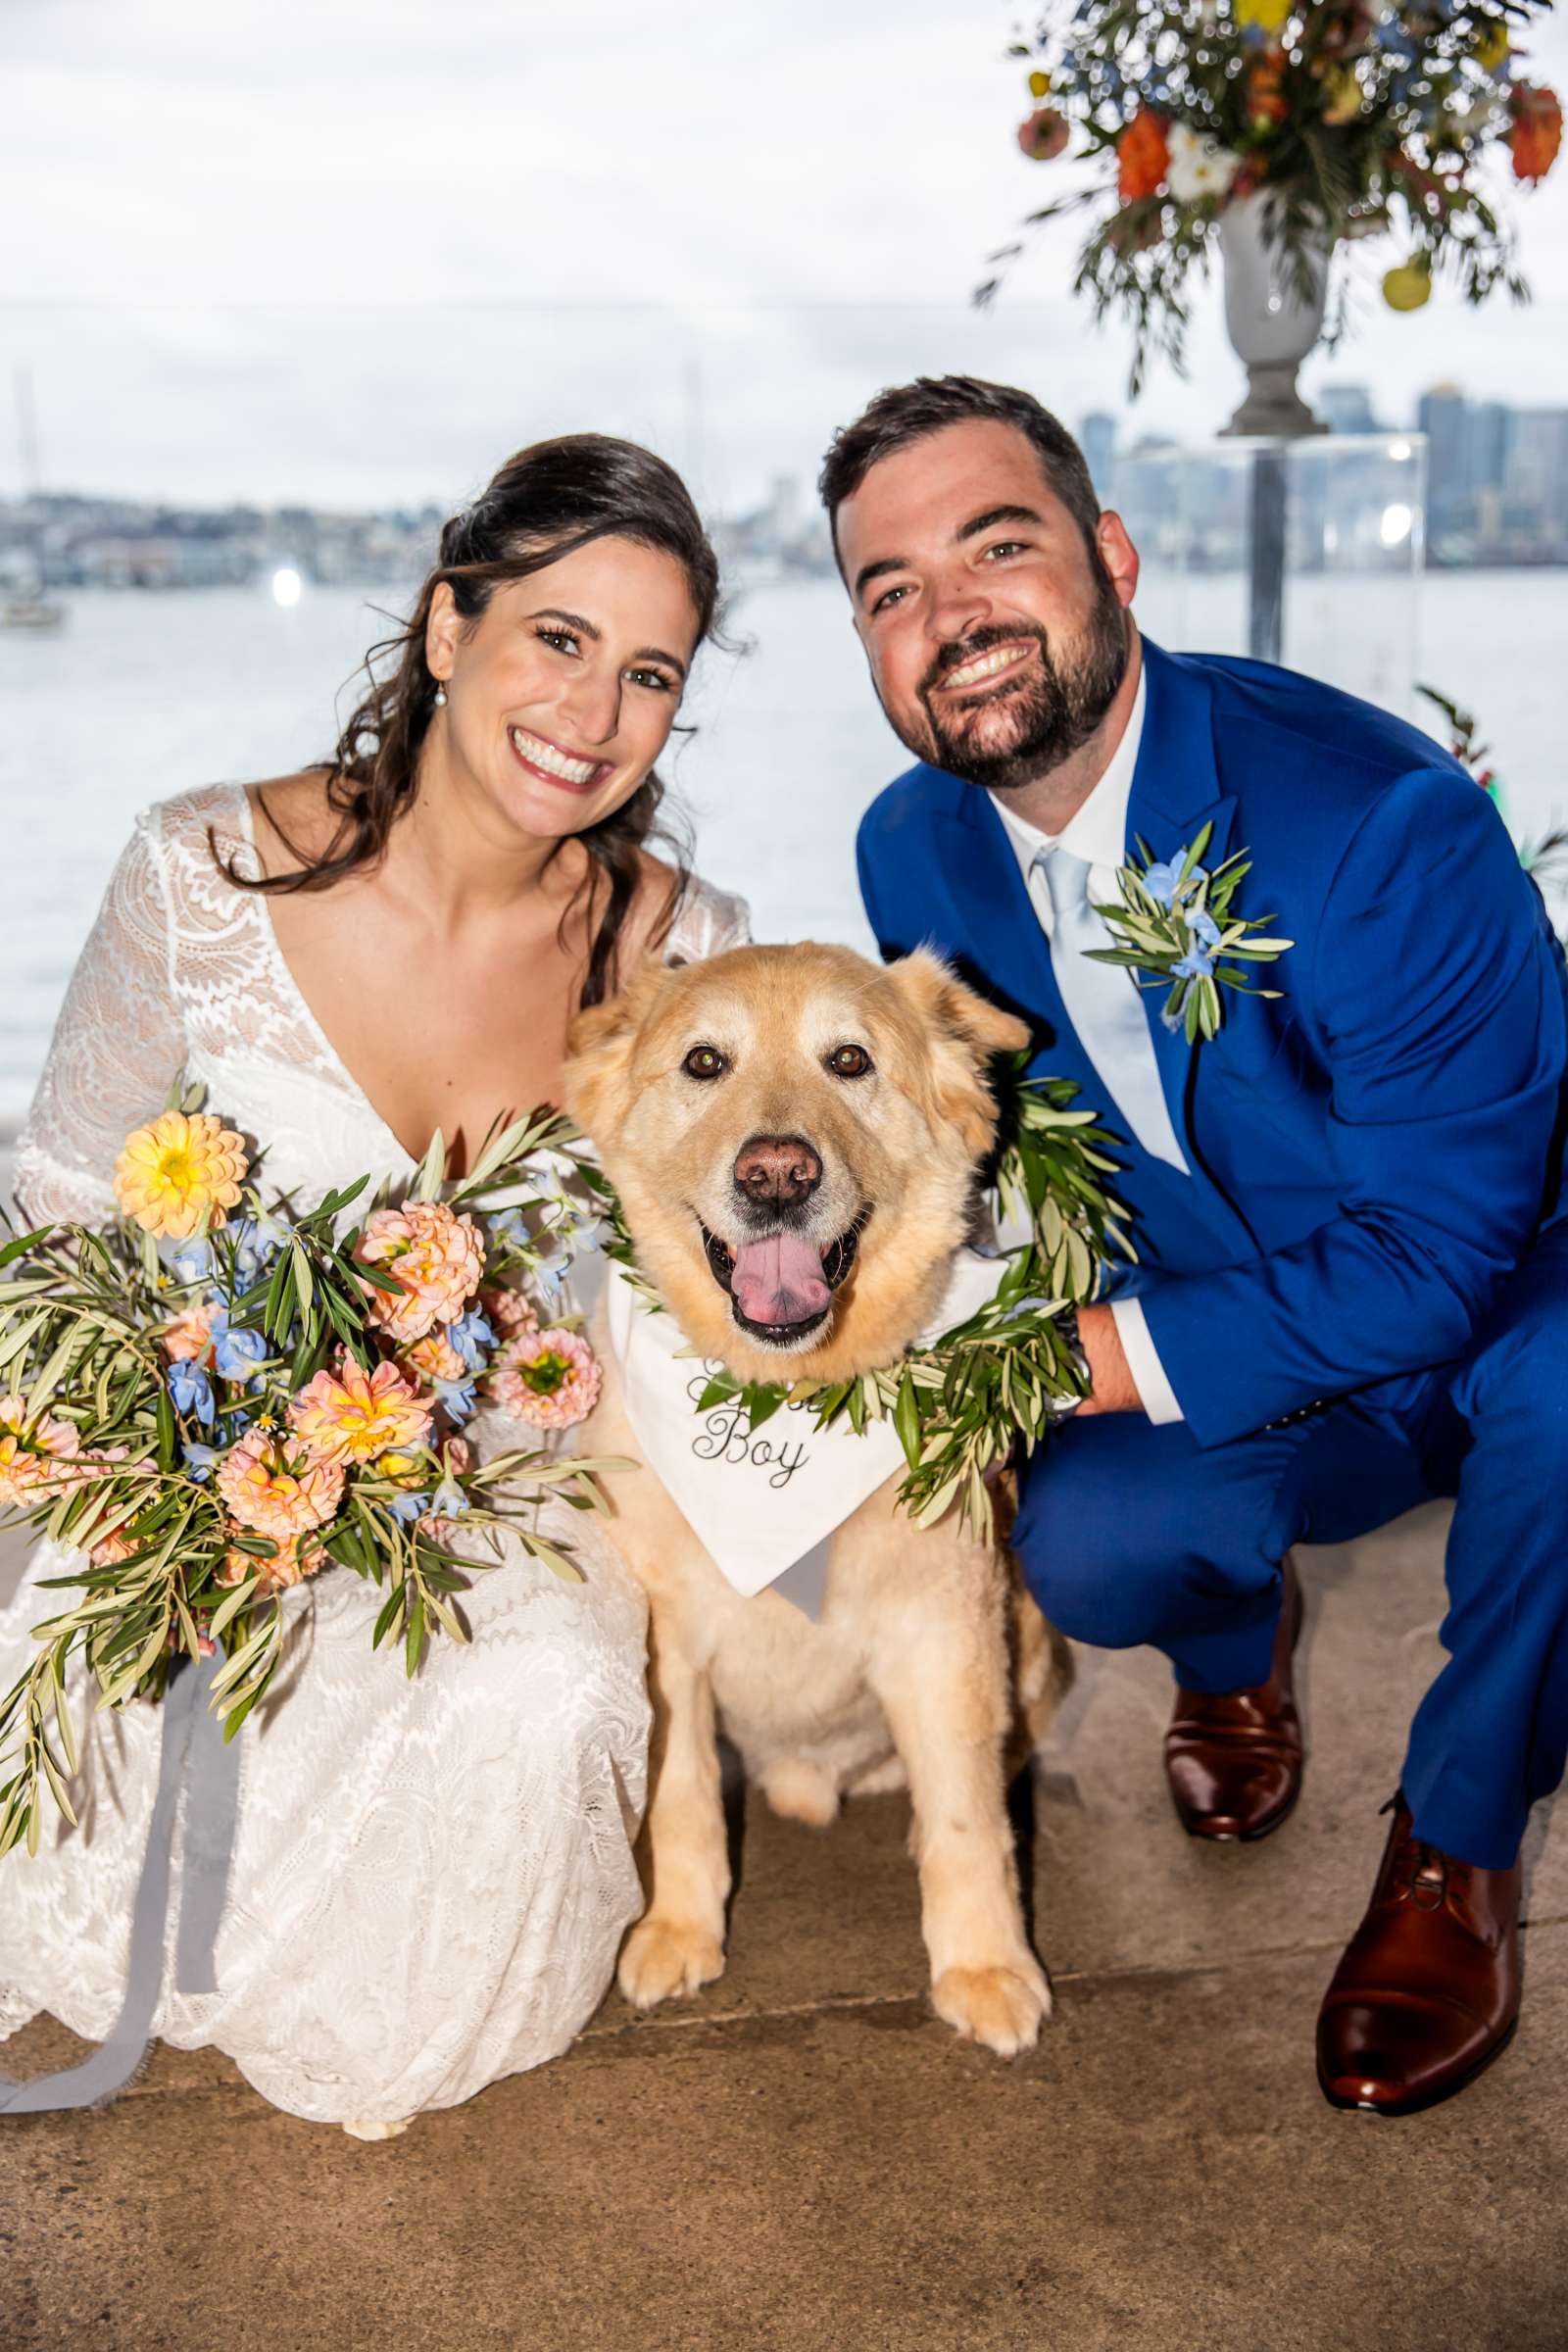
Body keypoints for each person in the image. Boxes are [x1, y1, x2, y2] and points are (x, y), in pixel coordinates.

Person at [824, 372, 1568, 2118]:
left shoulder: (1376, 824)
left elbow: (1445, 1252)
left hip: (1497, 1295)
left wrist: (1076, 1360)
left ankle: (1456, 1846)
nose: (952, 618)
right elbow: (995, 1156)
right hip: (1230, 1296)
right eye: (893, 589)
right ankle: (1241, 1667)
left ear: (1113, 553)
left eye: (994, 548)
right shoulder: (909, 844)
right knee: (1087, 1551)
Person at [0, 434, 748, 2132]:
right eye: (557, 639)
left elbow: (685, 1296)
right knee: (120, 1688)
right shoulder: (201, 873)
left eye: (649, 675)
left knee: (548, 1697)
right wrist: (150, 1476)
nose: (595, 713)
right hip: (190, 1475)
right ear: (444, 627)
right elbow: (52, 1233)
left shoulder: (683, 948)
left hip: (495, 1495)